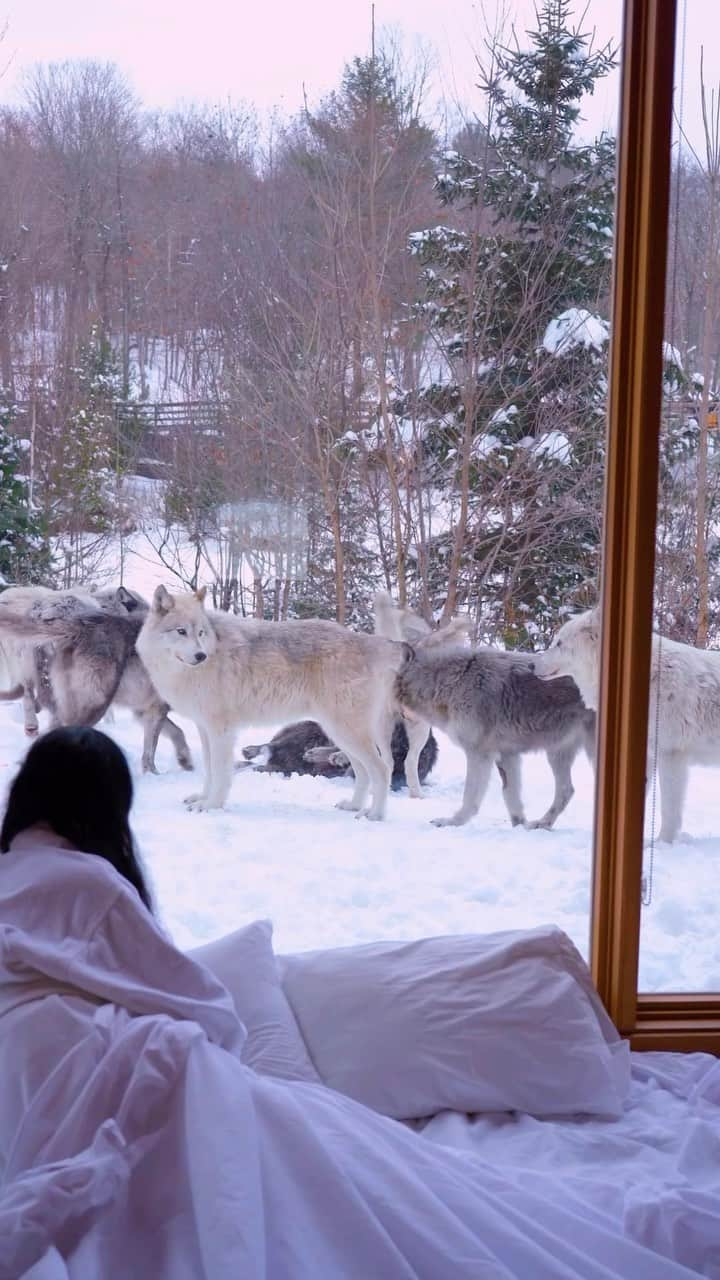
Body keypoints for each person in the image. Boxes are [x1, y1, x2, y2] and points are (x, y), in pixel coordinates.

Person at [0, 729, 691, 1279]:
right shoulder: (89, 881)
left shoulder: (16, 873)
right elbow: (197, 1001)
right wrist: (219, 1056)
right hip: (93, 1062)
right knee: (300, 1157)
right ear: (104, 809)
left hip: (23, 1077)